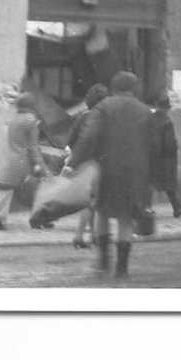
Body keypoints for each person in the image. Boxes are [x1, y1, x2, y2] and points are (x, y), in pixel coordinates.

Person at [63, 71, 153, 279]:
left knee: (102, 212)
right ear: (133, 88)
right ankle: (122, 268)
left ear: (114, 87)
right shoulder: (145, 111)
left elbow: (88, 137)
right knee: (125, 219)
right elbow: (153, 145)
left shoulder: (103, 107)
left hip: (106, 168)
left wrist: (73, 163)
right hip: (135, 171)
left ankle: (104, 260)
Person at [0, 94, 45, 230]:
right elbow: (33, 145)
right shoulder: (31, 121)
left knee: (6, 187)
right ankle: (40, 218)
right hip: (24, 159)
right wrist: (38, 163)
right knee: (38, 188)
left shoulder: (13, 120)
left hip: (12, 158)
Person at [63, 82, 109, 249]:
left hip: (81, 163)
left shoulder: (82, 116)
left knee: (90, 201)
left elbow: (71, 141)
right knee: (93, 202)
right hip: (97, 163)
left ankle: (93, 235)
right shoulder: (102, 118)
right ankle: (80, 236)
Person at [148, 93, 181, 219]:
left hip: (152, 156)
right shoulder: (167, 122)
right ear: (167, 108)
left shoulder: (150, 119)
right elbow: (169, 143)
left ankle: (147, 208)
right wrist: (174, 150)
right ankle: (178, 207)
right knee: (170, 184)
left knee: (150, 183)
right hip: (166, 158)